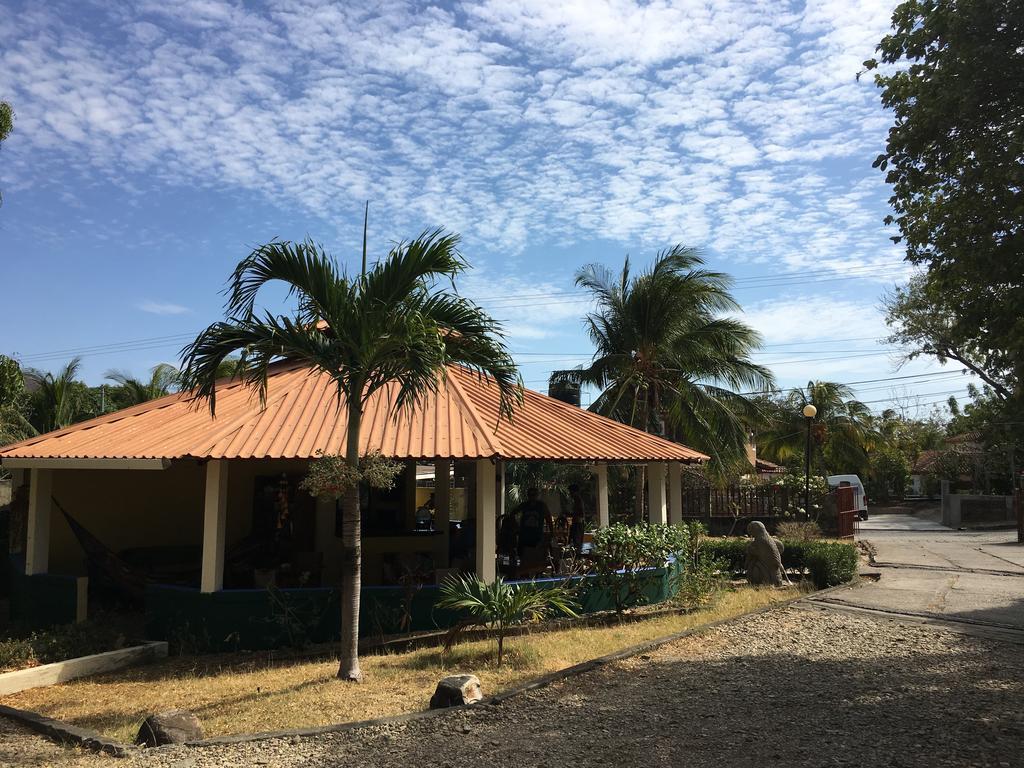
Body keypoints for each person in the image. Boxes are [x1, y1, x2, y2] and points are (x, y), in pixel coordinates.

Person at [515, 487, 553, 557]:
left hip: (536, 535)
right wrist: (516, 526)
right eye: (530, 495)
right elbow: (513, 513)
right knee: (522, 555)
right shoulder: (524, 505)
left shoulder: (542, 505)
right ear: (528, 495)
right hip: (524, 535)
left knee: (535, 556)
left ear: (537, 495)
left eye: (534, 494)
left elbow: (549, 519)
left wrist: (552, 532)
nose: (532, 496)